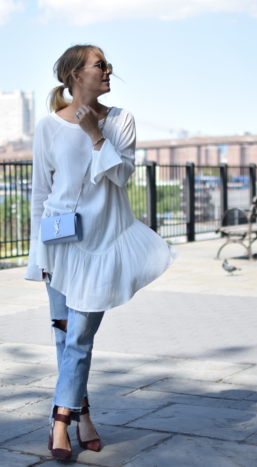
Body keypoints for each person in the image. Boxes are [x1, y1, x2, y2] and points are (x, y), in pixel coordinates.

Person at [25, 44, 177, 460]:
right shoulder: (47, 127)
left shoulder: (121, 120)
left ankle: (58, 422)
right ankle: (84, 418)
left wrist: (95, 134)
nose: (108, 71)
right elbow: (42, 193)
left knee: (79, 337)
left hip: (101, 244)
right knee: (63, 335)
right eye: (99, 65)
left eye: (108, 65)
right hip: (58, 242)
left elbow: (122, 174)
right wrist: (38, 253)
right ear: (75, 74)